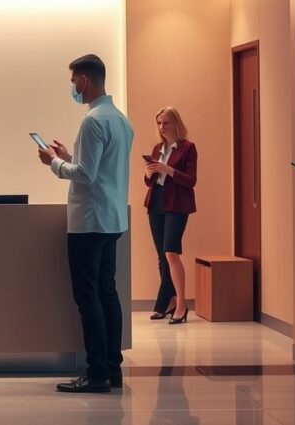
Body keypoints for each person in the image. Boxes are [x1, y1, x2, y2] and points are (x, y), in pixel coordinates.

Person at [37, 54, 133, 394]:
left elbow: (86, 175)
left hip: (89, 221)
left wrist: (54, 162)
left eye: (73, 82)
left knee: (88, 297)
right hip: (112, 218)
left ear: (83, 81)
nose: (73, 89)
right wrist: (68, 156)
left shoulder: (93, 121)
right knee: (108, 294)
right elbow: (102, 169)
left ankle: (96, 373)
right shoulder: (120, 120)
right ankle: (112, 368)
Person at [143, 107, 197, 324]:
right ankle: (170, 301)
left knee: (171, 253)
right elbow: (149, 181)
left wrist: (169, 170)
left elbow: (191, 180)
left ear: (176, 123)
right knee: (162, 256)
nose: (161, 127)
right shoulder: (158, 149)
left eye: (165, 122)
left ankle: (182, 305)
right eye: (159, 123)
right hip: (156, 201)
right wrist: (148, 173)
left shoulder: (188, 148)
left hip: (177, 204)